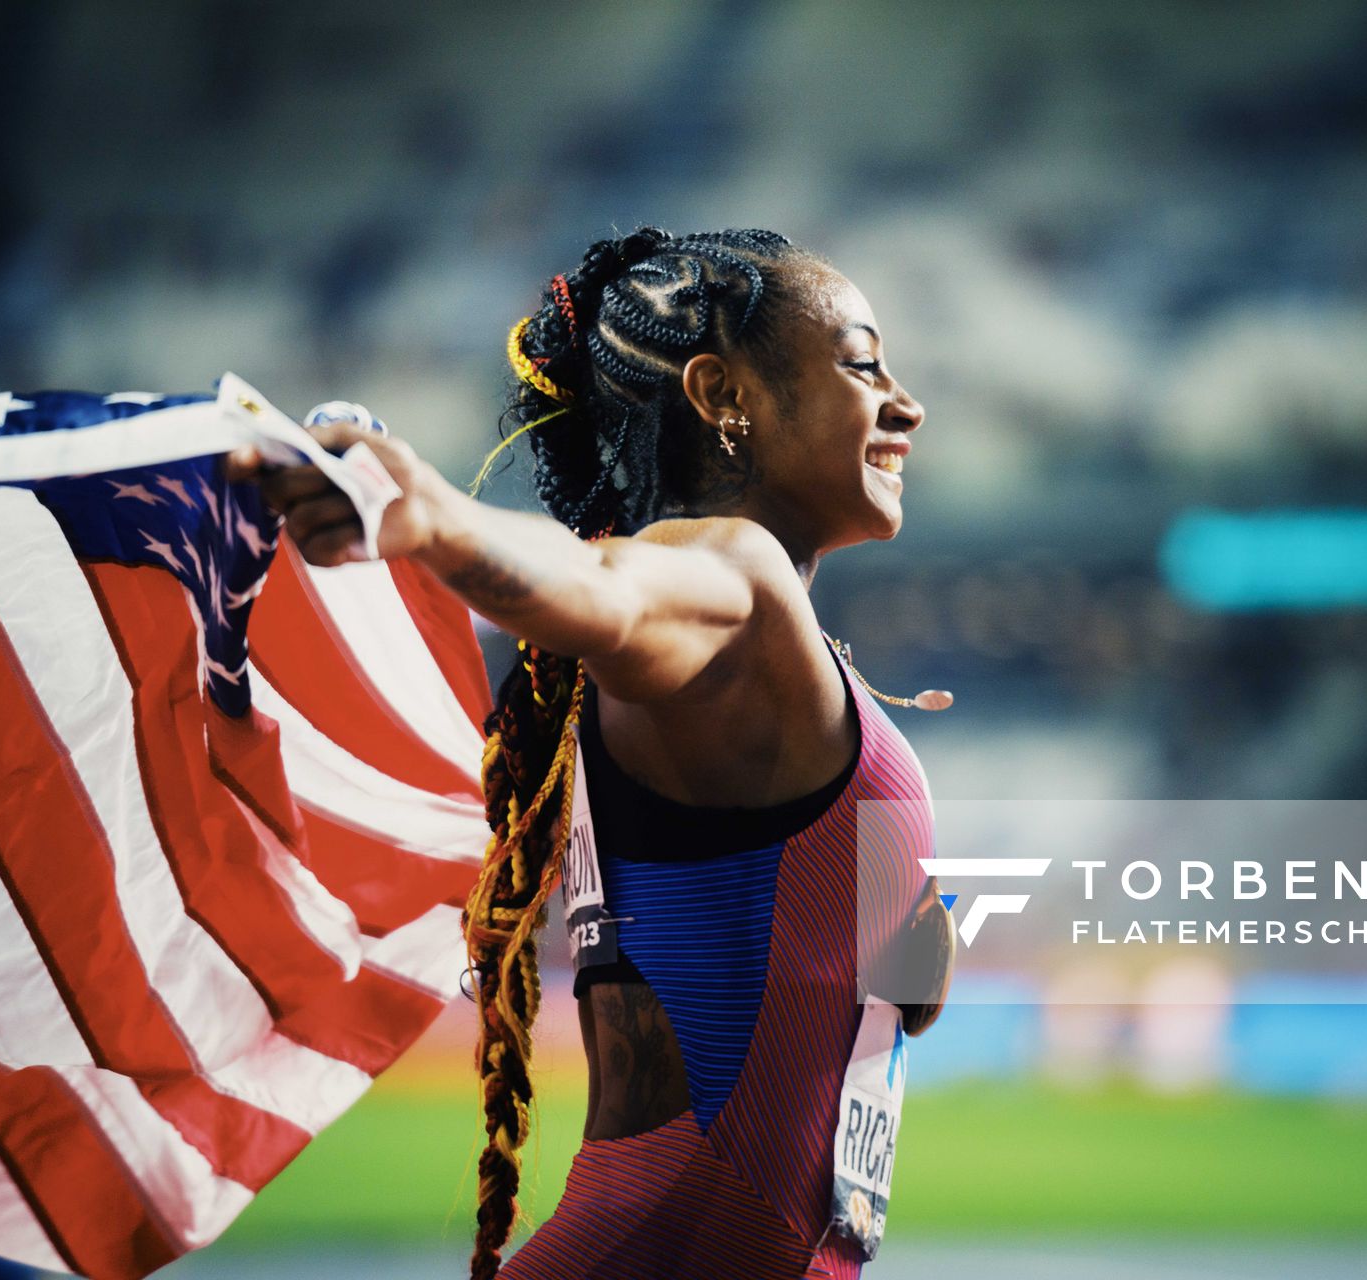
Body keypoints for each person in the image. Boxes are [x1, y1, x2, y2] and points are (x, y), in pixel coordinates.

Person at [227, 227, 955, 1279]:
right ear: (721, 393)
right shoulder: (728, 575)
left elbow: (848, 976)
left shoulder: (776, 658)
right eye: (860, 362)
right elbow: (606, 590)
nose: (905, 400)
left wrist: (902, 930)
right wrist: (424, 512)